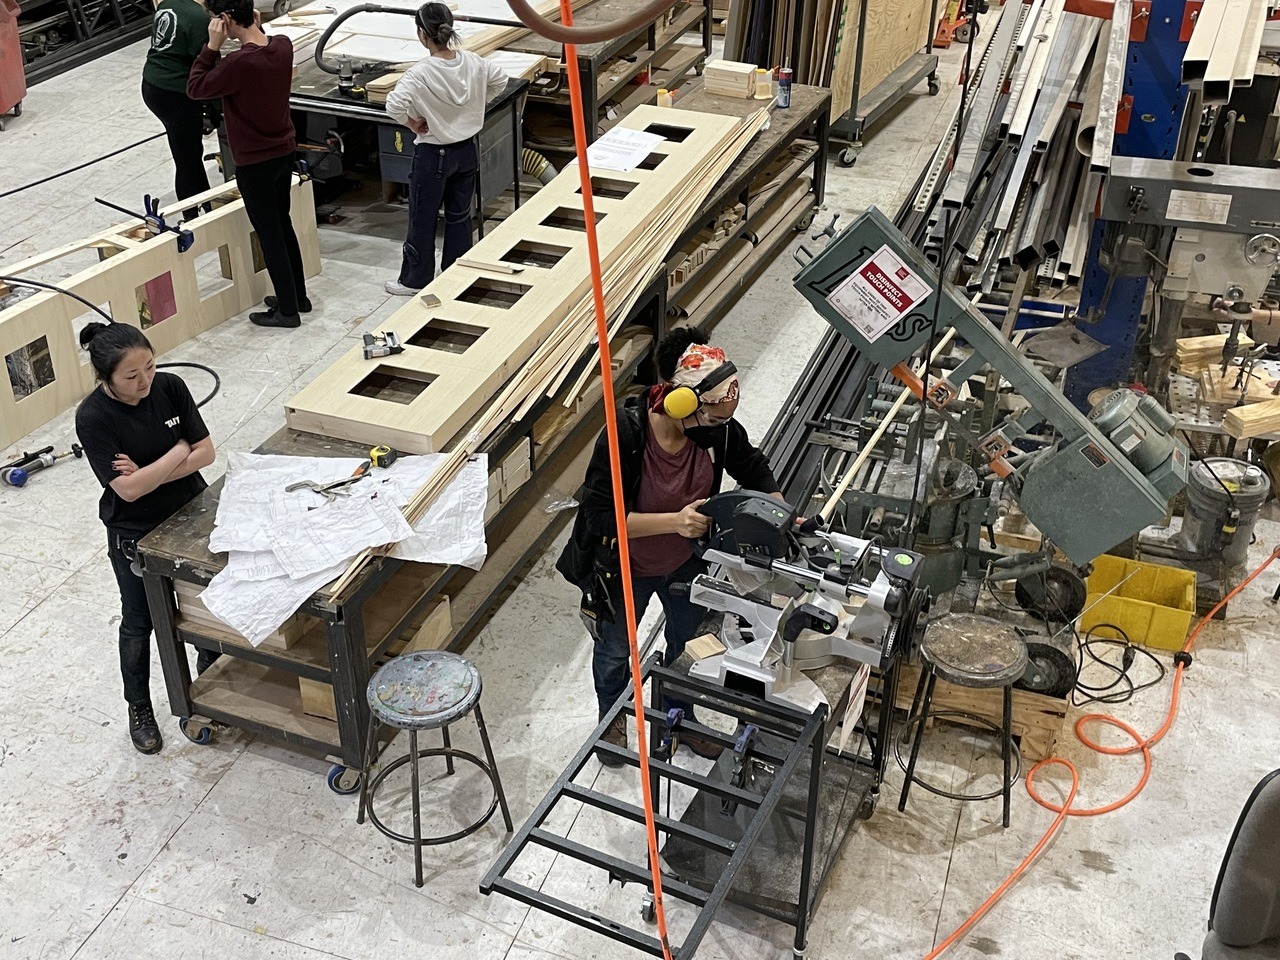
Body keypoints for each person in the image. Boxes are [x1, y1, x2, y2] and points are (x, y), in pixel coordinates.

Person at [559, 328, 784, 765]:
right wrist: (676, 521)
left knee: (690, 645)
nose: (722, 429)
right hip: (625, 567)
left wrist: (780, 509)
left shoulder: (714, 431)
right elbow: (600, 517)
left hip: (686, 563)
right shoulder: (626, 435)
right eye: (715, 419)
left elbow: (750, 463)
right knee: (614, 652)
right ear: (682, 403)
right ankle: (612, 722)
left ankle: (680, 716)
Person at [74, 323, 218, 754]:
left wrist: (150, 470)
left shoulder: (170, 387)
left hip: (190, 514)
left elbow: (207, 452)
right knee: (141, 621)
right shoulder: (94, 417)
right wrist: (178, 451)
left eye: (149, 366)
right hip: (134, 532)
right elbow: (129, 491)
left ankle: (211, 681)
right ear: (106, 379)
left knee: (202, 607)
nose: (144, 381)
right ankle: (139, 707)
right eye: (130, 376)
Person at [187, 0, 311, 329]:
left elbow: (196, 87)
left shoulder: (237, 64)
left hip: (256, 162)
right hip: (284, 152)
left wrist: (212, 46)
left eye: (217, 20)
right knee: (282, 225)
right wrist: (256, 28)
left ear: (225, 18)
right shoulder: (282, 46)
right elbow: (263, 46)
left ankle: (287, 312)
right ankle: (297, 296)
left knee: (269, 234)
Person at [382, 2, 509, 295]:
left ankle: (415, 280)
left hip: (433, 153)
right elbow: (501, 80)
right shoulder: (474, 62)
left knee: (423, 219)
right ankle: (456, 275)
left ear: (421, 34)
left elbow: (394, 105)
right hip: (466, 150)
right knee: (460, 216)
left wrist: (411, 123)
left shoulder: (420, 73)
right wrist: (476, 107)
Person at [141, 0, 213, 217]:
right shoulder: (199, 17)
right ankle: (191, 216)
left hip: (152, 84)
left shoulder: (168, 3)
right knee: (187, 158)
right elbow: (205, 61)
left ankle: (205, 203)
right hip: (175, 91)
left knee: (189, 153)